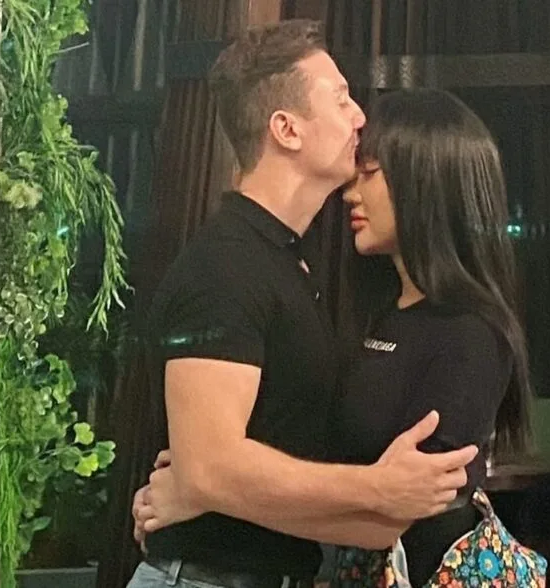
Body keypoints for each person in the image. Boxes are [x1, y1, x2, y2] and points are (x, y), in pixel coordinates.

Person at [126, 20, 478, 588]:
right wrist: (376, 488)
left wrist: (198, 487)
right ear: (286, 129)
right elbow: (210, 465)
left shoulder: (288, 261)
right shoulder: (226, 265)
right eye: (340, 99)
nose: (360, 116)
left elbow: (221, 467)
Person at [329, 88, 532, 586]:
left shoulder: (472, 333)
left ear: (427, 182)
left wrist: (217, 496)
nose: (350, 193)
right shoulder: (375, 312)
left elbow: (406, 506)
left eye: (369, 173)